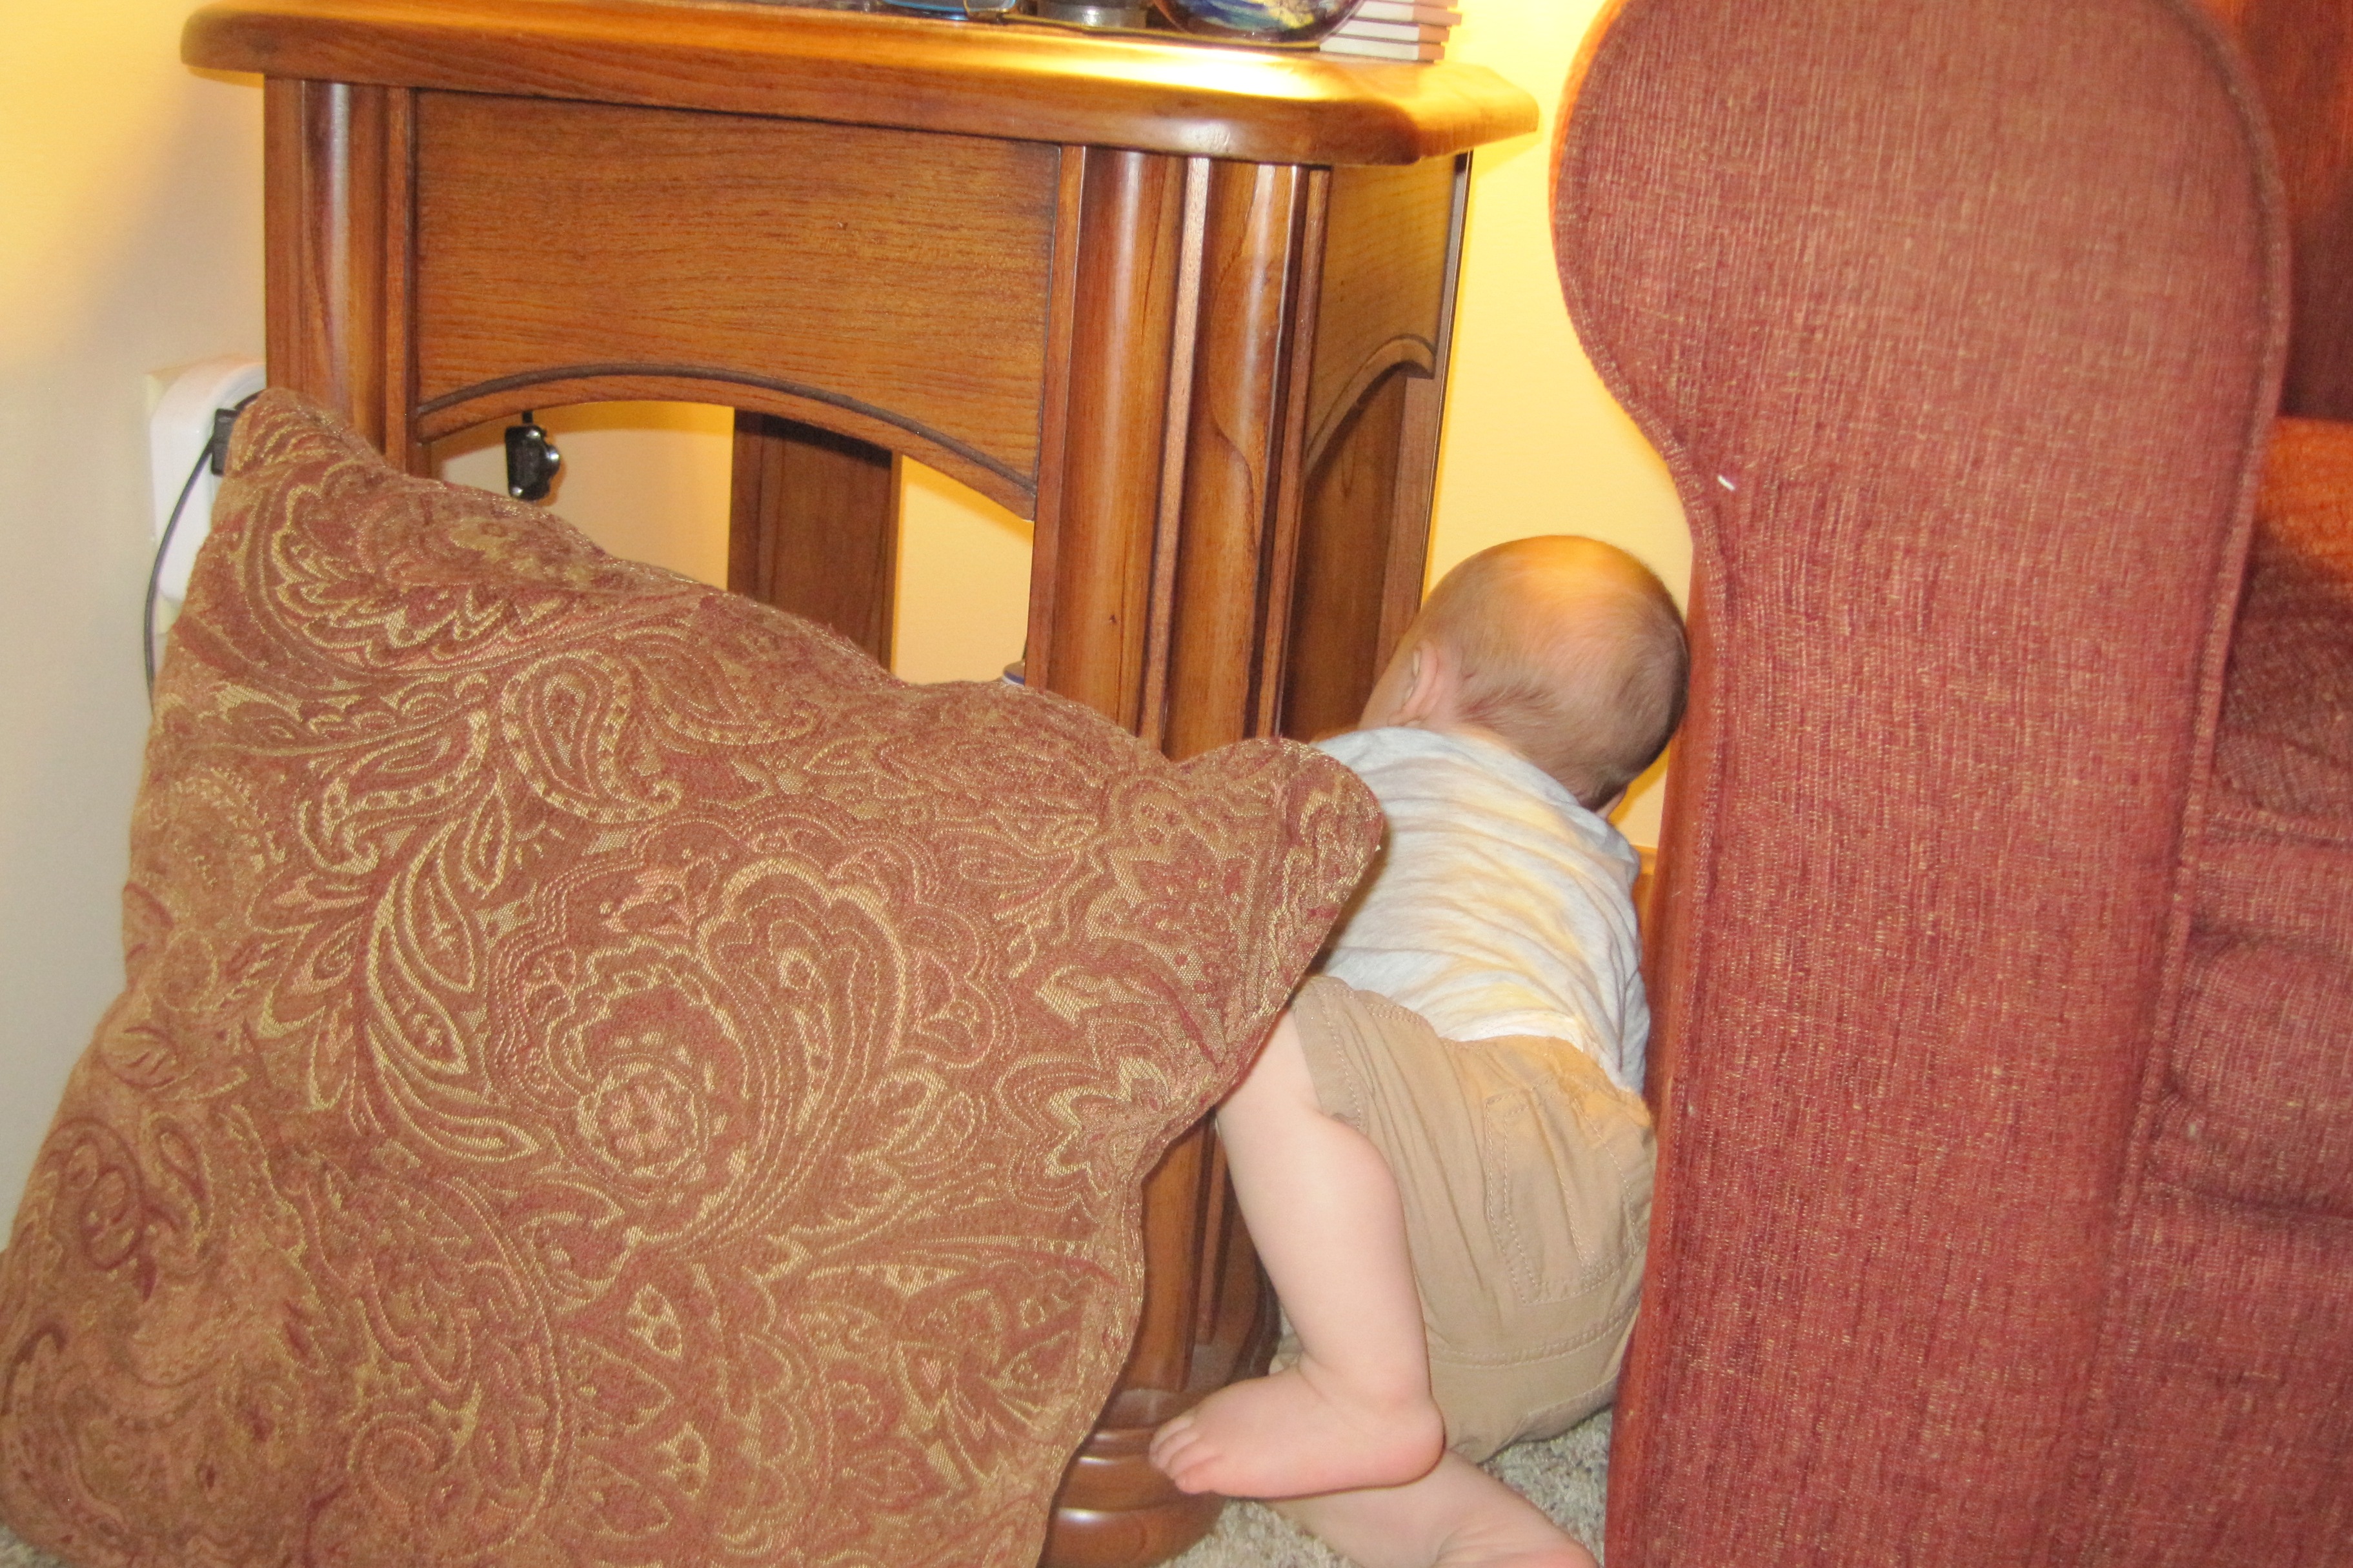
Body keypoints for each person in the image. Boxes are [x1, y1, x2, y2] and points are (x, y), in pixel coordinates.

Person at [1148, 536, 1687, 1568]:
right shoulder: (1603, 870)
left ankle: (1362, 1392)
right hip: (1588, 1289)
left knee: (1251, 1022)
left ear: (1418, 682)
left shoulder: (1361, 769)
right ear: (1608, 796)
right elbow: (1615, 1068)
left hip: (1465, 1156)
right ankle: (1480, 1533)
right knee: (1255, 1436)